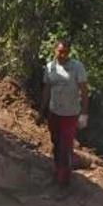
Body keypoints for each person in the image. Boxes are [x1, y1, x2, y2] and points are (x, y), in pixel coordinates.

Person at [40, 39, 89, 189]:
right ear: (55, 50)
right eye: (60, 51)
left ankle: (64, 183)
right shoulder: (50, 68)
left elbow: (84, 91)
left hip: (70, 115)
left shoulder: (77, 67)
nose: (62, 54)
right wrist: (41, 111)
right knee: (56, 144)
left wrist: (84, 113)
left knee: (65, 148)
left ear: (69, 52)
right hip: (54, 113)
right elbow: (47, 90)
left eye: (66, 52)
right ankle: (57, 174)